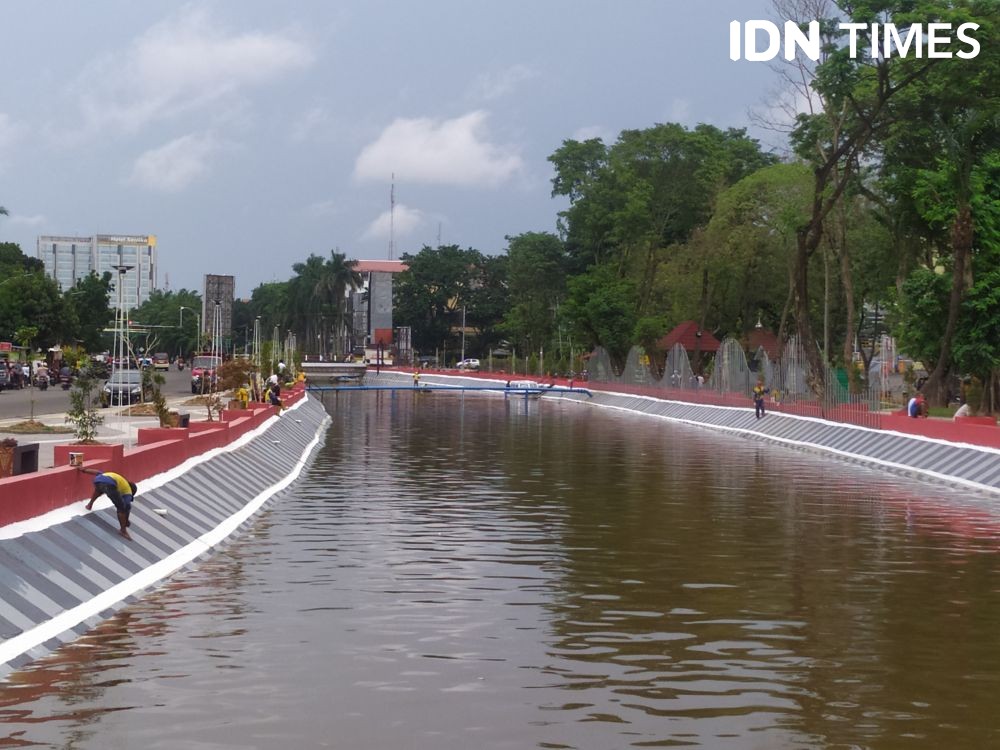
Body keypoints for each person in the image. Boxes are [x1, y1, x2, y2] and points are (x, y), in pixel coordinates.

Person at [79, 467, 137, 540]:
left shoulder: (121, 481)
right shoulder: (128, 492)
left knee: (99, 490)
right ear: (132, 492)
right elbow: (127, 506)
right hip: (109, 484)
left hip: (98, 480)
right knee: (121, 508)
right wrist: (126, 521)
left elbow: (97, 472)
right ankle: (123, 531)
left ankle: (89, 505)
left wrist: (83, 470)